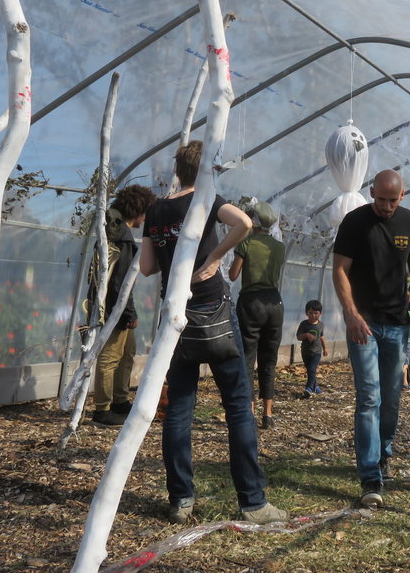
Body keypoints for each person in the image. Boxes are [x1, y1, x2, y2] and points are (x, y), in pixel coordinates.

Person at [139, 140, 287, 524]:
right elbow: (245, 223)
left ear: (178, 170)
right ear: (207, 171)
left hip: (178, 317)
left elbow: (146, 267)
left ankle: (180, 500)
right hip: (214, 310)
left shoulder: (156, 209)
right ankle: (253, 503)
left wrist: (170, 247)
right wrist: (214, 258)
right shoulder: (206, 199)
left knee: (179, 410)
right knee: (238, 406)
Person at [332, 169, 410, 509]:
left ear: (402, 196)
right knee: (369, 397)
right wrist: (351, 314)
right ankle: (370, 476)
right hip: (364, 323)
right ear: (371, 191)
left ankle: (383, 451)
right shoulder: (354, 223)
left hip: (397, 324)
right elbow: (340, 270)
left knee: (391, 398)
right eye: (381, 199)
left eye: (393, 200)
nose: (386, 207)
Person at [87, 185, 157, 428]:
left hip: (114, 304)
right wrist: (128, 313)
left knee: (127, 352)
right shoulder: (122, 236)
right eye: (146, 213)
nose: (146, 219)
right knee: (110, 357)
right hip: (114, 307)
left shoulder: (115, 230)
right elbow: (121, 282)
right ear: (138, 210)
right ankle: (102, 409)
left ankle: (120, 401)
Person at [229, 200, 286, 430]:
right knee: (269, 359)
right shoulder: (279, 247)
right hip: (274, 303)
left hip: (251, 304)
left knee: (247, 358)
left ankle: (248, 412)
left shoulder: (246, 242)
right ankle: (268, 414)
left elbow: (233, 275)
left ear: (253, 221)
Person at [296, 299, 328, 397]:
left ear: (320, 313)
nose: (313, 315)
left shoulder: (320, 325)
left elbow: (322, 337)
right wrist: (306, 335)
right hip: (305, 351)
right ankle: (315, 387)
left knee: (312, 369)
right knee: (310, 370)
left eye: (316, 313)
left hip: (316, 352)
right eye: (310, 313)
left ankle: (309, 388)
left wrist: (325, 348)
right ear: (306, 313)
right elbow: (298, 337)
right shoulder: (304, 324)